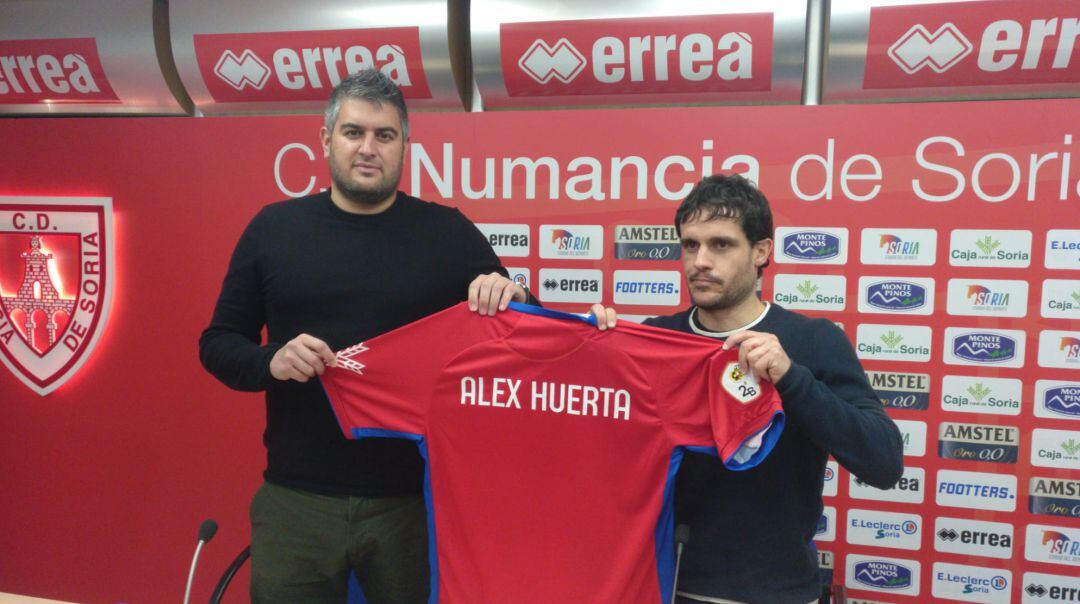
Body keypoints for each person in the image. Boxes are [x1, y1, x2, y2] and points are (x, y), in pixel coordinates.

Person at [199, 69, 614, 604]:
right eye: (353, 133)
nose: (368, 148)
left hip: (413, 502)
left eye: (385, 135)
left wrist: (514, 294)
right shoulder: (273, 230)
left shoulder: (446, 233)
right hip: (296, 498)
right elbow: (218, 343)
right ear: (326, 140)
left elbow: (521, 330)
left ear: (405, 146)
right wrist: (271, 361)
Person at [643, 174, 903, 604]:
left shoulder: (812, 340)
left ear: (761, 251)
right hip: (668, 587)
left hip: (778, 593)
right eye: (690, 245)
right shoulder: (657, 339)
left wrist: (792, 378)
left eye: (720, 244)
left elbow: (884, 462)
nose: (700, 261)